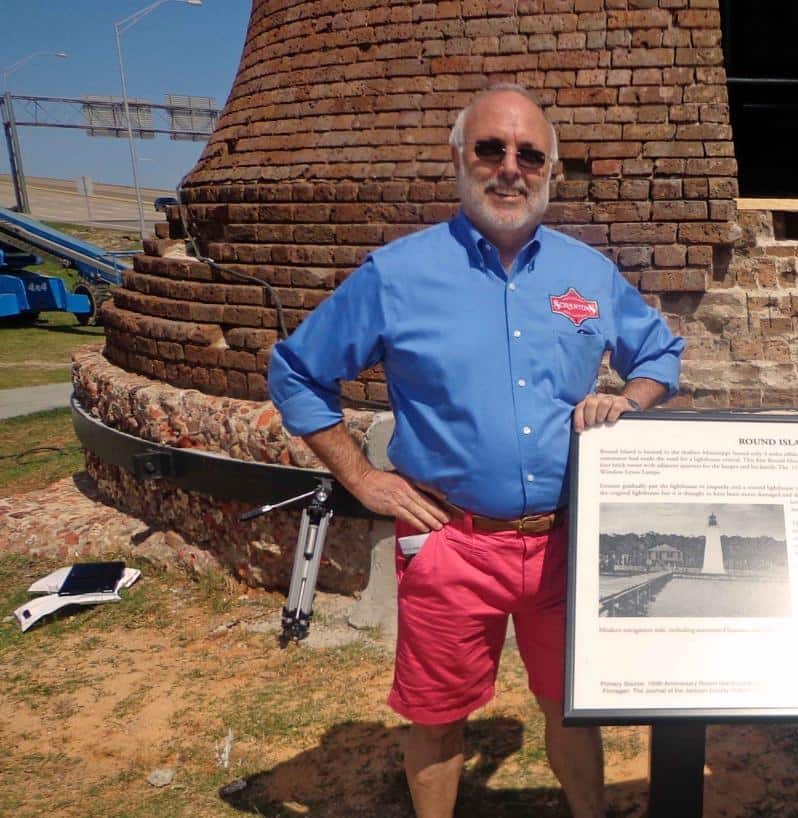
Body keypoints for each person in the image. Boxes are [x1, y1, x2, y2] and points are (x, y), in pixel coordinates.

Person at [268, 84, 684, 818]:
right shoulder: (397, 275)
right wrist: (362, 477)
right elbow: (297, 371)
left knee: (570, 706)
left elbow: (660, 355)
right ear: (459, 158)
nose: (510, 168)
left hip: (566, 543)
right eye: (491, 149)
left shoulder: (587, 275)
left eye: (530, 155)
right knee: (436, 715)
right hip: (451, 542)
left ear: (552, 171)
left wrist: (630, 399)